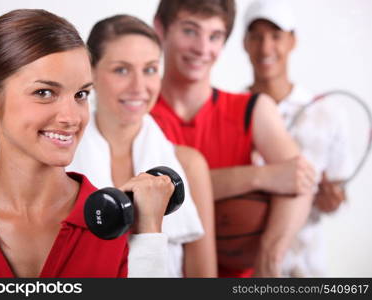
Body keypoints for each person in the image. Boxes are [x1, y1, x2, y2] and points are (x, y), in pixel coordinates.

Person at [0, 9, 174, 278]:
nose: (71, 118)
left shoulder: (118, 225)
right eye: (44, 93)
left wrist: (148, 238)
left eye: (81, 94)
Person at [150, 0, 317, 277]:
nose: (203, 49)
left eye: (215, 36)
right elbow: (151, 192)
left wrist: (270, 255)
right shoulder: (139, 115)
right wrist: (260, 176)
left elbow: (300, 181)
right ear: (160, 28)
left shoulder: (253, 109)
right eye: (190, 31)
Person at [67, 14, 217, 277]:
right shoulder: (57, 164)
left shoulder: (189, 166)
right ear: (90, 72)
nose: (139, 87)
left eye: (149, 69)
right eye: (121, 70)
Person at [243, 0, 352, 277]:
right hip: (248, 268)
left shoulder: (327, 112)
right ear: (245, 43)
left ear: (293, 41)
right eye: (256, 36)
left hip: (308, 267)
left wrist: (334, 200)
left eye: (276, 36)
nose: (266, 47)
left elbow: (338, 194)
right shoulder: (232, 112)